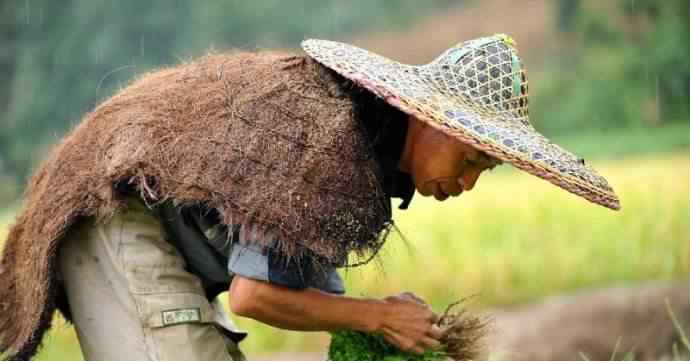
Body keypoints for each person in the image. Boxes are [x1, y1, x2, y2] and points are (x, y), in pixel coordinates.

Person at [0, 34, 619, 361]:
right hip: (112, 211)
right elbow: (254, 295)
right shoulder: (326, 143)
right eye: (471, 160)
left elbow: (300, 279)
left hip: (146, 222)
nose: (466, 185)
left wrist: (381, 324)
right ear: (435, 123)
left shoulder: (360, 151)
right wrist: (377, 316)